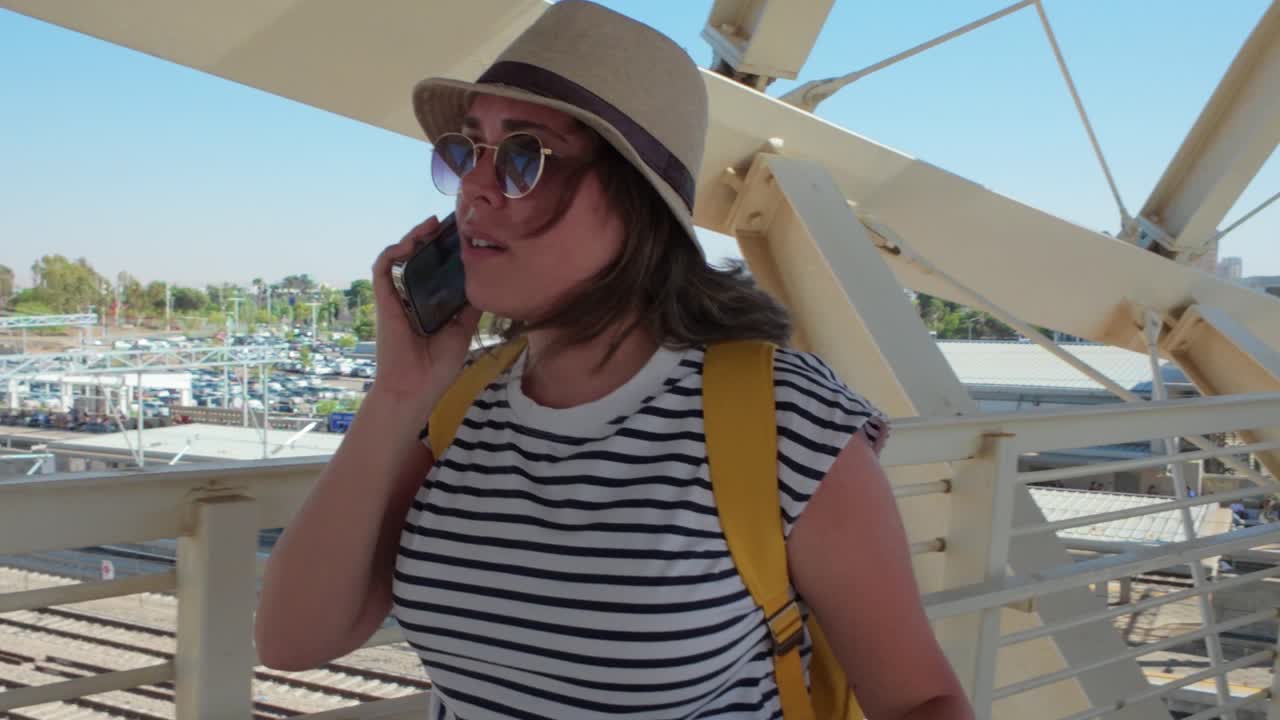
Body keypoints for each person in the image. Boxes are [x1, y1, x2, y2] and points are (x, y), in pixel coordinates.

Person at [255, 3, 972, 719]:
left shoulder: (783, 417)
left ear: (638, 203)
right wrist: (398, 393)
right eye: (467, 149)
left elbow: (922, 699)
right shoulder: (457, 409)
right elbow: (291, 639)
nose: (474, 186)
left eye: (523, 157)